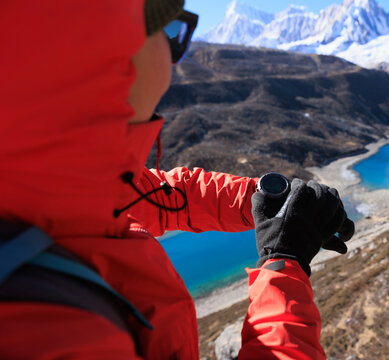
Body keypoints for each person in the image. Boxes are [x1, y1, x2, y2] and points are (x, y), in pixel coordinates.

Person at [0, 0, 354, 359]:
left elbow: (164, 194)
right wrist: (283, 265)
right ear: (107, 60)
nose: (174, 59)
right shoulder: (49, 329)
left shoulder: (49, 185)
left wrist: (267, 201)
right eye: (170, 31)